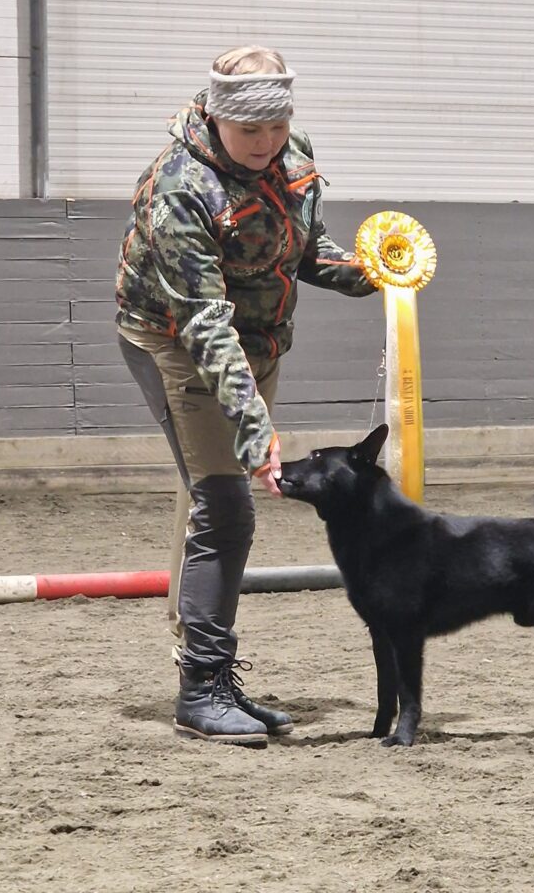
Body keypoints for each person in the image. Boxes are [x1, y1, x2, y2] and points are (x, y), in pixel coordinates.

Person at [115, 45, 376, 746]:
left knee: (212, 496)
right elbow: (203, 322)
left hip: (256, 342)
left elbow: (303, 250)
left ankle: (208, 665)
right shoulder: (179, 186)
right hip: (175, 340)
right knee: (228, 506)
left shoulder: (295, 158)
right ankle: (201, 686)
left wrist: (373, 273)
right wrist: (256, 428)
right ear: (215, 116)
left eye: (277, 127)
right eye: (249, 131)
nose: (266, 144)